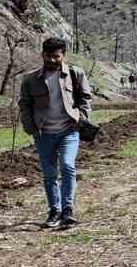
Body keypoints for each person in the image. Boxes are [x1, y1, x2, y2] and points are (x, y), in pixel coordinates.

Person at [18, 37, 93, 229]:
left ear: (63, 55)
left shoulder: (76, 74)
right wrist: (30, 126)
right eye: (48, 56)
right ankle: (54, 211)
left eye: (56, 56)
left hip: (69, 130)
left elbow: (86, 98)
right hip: (43, 134)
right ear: (42, 54)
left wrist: (81, 118)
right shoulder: (30, 79)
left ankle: (68, 210)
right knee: (50, 173)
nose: (52, 60)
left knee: (68, 166)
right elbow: (24, 104)